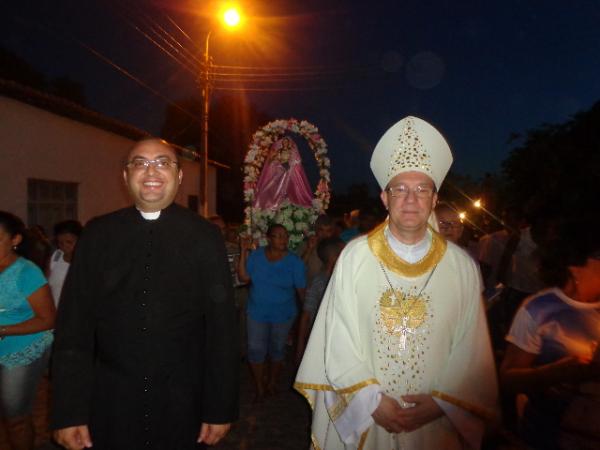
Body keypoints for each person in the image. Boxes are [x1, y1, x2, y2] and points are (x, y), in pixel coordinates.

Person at [295, 116, 497, 449]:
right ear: (385, 198)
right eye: (400, 189)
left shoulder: (461, 267)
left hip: (434, 420)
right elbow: (336, 336)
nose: (411, 199)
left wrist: (441, 403)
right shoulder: (354, 258)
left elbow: (472, 348)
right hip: (369, 419)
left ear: (434, 199)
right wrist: (371, 401)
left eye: (422, 190)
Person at [50, 138, 238, 450]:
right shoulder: (98, 234)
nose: (151, 171)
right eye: (140, 163)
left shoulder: (204, 236)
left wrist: (220, 407)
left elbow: (222, 329)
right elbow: (74, 327)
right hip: (112, 397)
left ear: (179, 176)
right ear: (126, 176)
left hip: (183, 397)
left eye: (163, 162)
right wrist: (68, 412)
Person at [500, 217, 600, 449]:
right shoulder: (540, 309)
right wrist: (557, 373)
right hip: (549, 435)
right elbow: (508, 380)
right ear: (575, 266)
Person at [0, 211, 56, 450]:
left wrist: (3, 329)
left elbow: (47, 320)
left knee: (16, 418)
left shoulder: (26, 272)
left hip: (23, 347)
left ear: (15, 240)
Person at [238, 224, 306, 402]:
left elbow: (301, 292)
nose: (283, 239)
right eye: (278, 236)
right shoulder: (257, 256)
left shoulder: (294, 262)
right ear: (269, 238)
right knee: (255, 349)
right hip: (257, 312)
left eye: (285, 235)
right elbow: (244, 277)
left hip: (284, 314)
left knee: (277, 349)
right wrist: (244, 251)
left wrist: (303, 318)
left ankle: (272, 382)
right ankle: (260, 385)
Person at [295, 237, 345, 363]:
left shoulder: (344, 279)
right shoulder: (320, 282)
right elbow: (306, 315)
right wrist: (300, 348)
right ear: (334, 258)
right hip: (320, 337)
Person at [253, 136, 314, 210]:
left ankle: (288, 202)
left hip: (288, 170)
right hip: (280, 170)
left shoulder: (291, 151)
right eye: (284, 142)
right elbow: (273, 160)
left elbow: (297, 160)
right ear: (282, 143)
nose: (285, 143)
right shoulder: (279, 151)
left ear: (288, 143)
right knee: (269, 186)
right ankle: (269, 202)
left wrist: (290, 164)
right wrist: (273, 158)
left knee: (290, 185)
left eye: (286, 142)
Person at [47, 219, 83, 307]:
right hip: (56, 312)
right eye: (60, 243)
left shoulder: (88, 261)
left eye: (69, 242)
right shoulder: (56, 257)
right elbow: (46, 286)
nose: (64, 246)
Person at [296, 214, 335, 285]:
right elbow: (297, 269)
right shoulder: (307, 245)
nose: (324, 234)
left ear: (332, 232)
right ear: (316, 230)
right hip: (309, 290)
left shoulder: (336, 246)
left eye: (328, 231)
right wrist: (309, 249)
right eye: (321, 230)